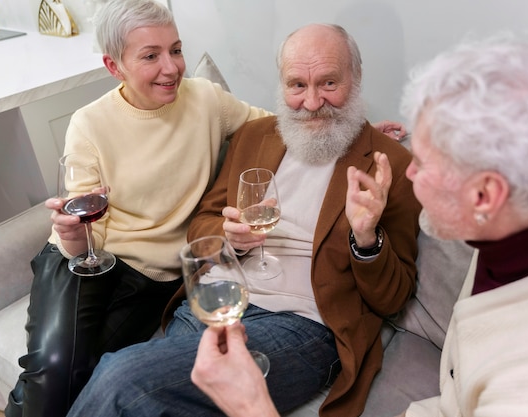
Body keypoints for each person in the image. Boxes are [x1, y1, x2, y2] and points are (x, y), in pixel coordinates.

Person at [191, 32, 528, 416]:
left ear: (485, 195)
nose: (411, 174)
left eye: (423, 162)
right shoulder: (515, 230)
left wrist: (251, 406)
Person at [66, 23, 421, 417]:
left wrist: (366, 238)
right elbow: (205, 221)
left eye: (329, 83)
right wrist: (229, 238)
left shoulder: (391, 165)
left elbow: (395, 296)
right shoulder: (255, 136)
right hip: (216, 299)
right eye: (297, 85)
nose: (312, 101)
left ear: (355, 80)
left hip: (300, 324)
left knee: (121, 375)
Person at [3, 0, 277, 416]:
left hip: (153, 278)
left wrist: (357, 130)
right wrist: (74, 236)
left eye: (177, 49)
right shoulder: (89, 124)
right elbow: (80, 235)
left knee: (90, 372)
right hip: (80, 259)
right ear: (115, 67)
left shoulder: (206, 100)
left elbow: (271, 126)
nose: (171, 68)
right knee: (54, 367)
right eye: (150, 56)